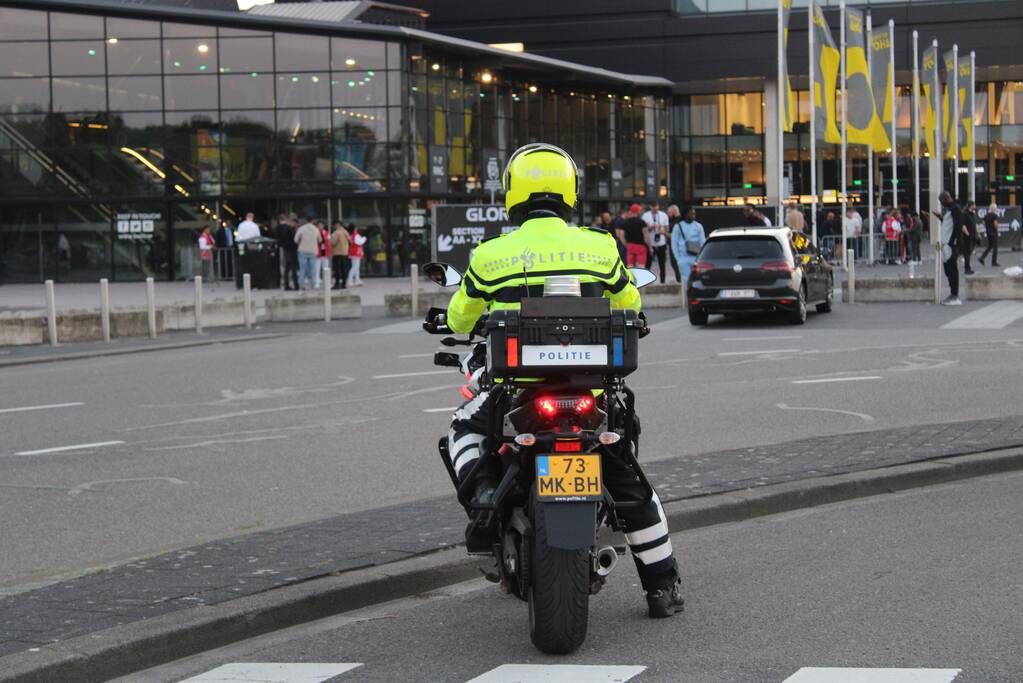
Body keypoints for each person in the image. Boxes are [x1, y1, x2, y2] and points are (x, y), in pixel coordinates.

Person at [445, 142, 684, 618]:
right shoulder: (599, 246)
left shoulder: (491, 254)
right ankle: (661, 586)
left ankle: (485, 495)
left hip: (516, 391)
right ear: (570, 190)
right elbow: (630, 305)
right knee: (628, 479)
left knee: (463, 430)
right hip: (588, 392)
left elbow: (458, 319)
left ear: (514, 191)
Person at [933, 191, 963, 305]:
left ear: (945, 199)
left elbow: (957, 226)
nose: (941, 204)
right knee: (948, 270)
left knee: (952, 270)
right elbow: (949, 225)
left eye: (941, 202)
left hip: (950, 244)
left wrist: (952, 242)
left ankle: (955, 295)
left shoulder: (955, 209)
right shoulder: (950, 210)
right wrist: (941, 218)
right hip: (946, 244)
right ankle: (953, 294)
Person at [671, 205, 706, 287]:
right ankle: (687, 298)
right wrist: (678, 258)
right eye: (691, 214)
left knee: (697, 279)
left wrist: (701, 257)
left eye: (694, 214)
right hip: (683, 258)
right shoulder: (678, 227)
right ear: (685, 215)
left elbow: (702, 242)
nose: (693, 216)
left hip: (696, 258)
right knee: (686, 279)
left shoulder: (698, 226)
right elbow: (674, 243)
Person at [643, 202, 671, 283]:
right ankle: (646, 282)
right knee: (648, 264)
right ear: (650, 207)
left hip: (661, 243)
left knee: (662, 264)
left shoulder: (663, 215)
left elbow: (667, 228)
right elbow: (643, 230)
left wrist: (663, 230)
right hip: (650, 244)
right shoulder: (646, 215)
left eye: (656, 207)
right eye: (653, 207)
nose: (655, 209)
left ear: (658, 206)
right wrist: (650, 227)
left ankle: (663, 282)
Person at [294, 217, 322, 290]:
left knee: (302, 268)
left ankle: (302, 285)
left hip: (302, 250)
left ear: (306, 221)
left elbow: (295, 240)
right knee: (313, 268)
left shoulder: (301, 228)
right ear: (312, 221)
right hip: (313, 251)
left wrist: (301, 242)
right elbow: (320, 240)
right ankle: (313, 284)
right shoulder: (316, 229)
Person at [621, 203, 649, 268]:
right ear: (638, 211)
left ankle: (631, 278)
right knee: (641, 267)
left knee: (630, 267)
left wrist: (626, 244)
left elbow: (621, 236)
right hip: (641, 246)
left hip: (630, 246)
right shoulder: (642, 222)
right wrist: (650, 247)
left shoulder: (625, 222)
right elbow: (646, 236)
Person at [277, 214, 299, 290]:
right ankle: (295, 285)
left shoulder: (286, 229)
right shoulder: (290, 230)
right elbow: (295, 240)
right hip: (291, 250)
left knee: (287, 268)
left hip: (287, 249)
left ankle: (287, 285)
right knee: (292, 268)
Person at [330, 220, 351, 289]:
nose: (333, 227)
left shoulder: (337, 232)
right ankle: (344, 284)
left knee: (337, 269)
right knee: (344, 269)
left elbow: (333, 243)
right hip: (345, 253)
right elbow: (350, 241)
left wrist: (329, 240)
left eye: (333, 225)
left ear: (336, 225)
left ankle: (337, 284)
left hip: (337, 253)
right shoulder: (346, 232)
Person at [979, 202, 1000, 267]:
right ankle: (994, 262)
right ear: (994, 209)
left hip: (988, 232)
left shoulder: (986, 215)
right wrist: (997, 230)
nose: (996, 209)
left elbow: (983, 222)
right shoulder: (994, 215)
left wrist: (987, 227)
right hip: (993, 232)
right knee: (995, 247)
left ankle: (982, 257)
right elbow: (995, 224)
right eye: (996, 208)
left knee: (990, 246)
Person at [962, 201, 978, 274]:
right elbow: (963, 224)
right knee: (967, 253)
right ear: (971, 206)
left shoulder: (972, 214)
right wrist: (967, 233)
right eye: (974, 205)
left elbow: (974, 224)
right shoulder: (965, 214)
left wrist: (977, 234)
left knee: (970, 251)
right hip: (967, 236)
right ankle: (967, 268)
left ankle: (968, 266)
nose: (975, 206)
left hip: (973, 235)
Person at [316, 220, 331, 284]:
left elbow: (330, 241)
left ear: (323, 226)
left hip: (325, 252)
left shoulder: (326, 233)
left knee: (326, 267)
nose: (320, 226)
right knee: (317, 268)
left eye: (321, 225)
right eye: (319, 225)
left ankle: (326, 281)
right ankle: (317, 280)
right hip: (318, 252)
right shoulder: (315, 232)